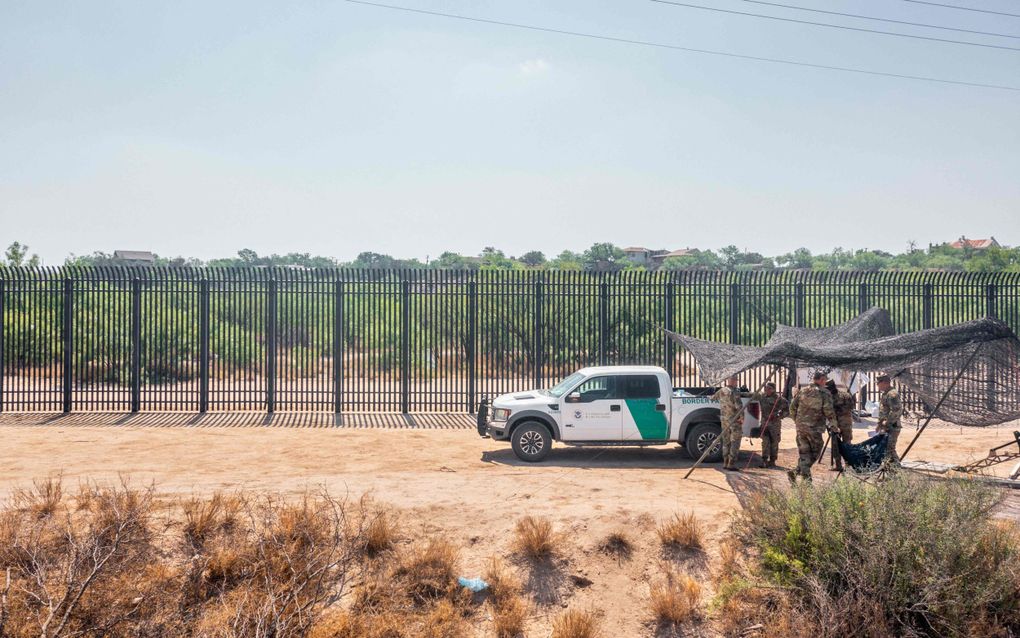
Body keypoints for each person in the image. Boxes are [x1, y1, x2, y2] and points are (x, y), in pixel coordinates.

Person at [787, 371, 836, 483]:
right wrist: (834, 425)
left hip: (800, 428)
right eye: (825, 380)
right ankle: (806, 482)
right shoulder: (824, 393)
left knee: (804, 454)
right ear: (821, 379)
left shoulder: (802, 391)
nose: (825, 382)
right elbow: (829, 411)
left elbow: (792, 407)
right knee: (816, 451)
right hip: (814, 428)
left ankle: (795, 473)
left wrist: (798, 421)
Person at [711, 375, 745, 472]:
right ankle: (731, 463)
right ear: (733, 381)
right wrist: (742, 418)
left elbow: (712, 398)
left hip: (724, 420)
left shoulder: (722, 391)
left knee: (726, 442)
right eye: (736, 380)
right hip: (734, 421)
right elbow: (739, 407)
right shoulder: (735, 393)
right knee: (735, 441)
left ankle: (725, 462)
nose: (737, 382)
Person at [751, 382, 788, 468]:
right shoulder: (762, 397)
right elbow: (752, 395)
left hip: (775, 424)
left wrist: (778, 416)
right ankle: (764, 460)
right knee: (765, 442)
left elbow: (787, 411)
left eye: (769, 389)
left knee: (774, 442)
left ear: (773, 389)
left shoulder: (780, 399)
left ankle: (772, 461)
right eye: (766, 388)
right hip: (765, 423)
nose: (767, 390)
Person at [826, 379, 856, 472]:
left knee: (839, 444)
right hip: (845, 422)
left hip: (838, 423)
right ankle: (847, 465)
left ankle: (840, 465)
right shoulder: (845, 395)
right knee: (844, 443)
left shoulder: (830, 398)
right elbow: (852, 406)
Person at [876, 374, 903, 464]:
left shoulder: (892, 394)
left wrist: (887, 422)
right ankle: (890, 472)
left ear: (884, 382)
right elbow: (883, 411)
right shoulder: (886, 393)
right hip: (887, 427)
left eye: (878, 383)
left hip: (892, 427)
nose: (877, 385)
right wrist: (879, 424)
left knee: (890, 449)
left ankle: (897, 472)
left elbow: (896, 410)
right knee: (885, 449)